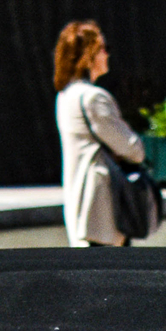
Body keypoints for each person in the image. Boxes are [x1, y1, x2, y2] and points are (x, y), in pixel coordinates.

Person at [55, 20, 141, 250]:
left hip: (80, 207)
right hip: (101, 212)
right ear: (87, 56)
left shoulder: (66, 96)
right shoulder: (93, 97)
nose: (107, 55)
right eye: (103, 49)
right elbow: (132, 148)